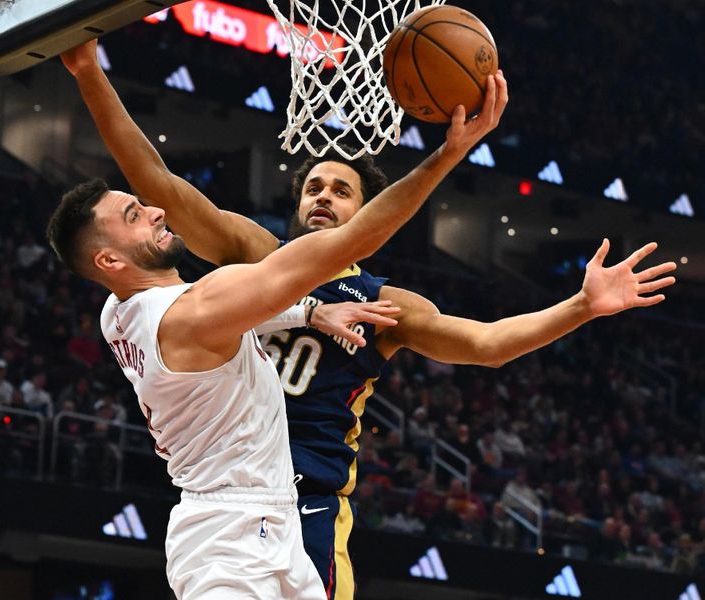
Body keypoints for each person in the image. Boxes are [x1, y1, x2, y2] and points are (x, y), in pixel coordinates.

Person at [60, 40, 674, 599]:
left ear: (365, 213)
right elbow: (158, 182)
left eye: (342, 190)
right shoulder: (251, 257)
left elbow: (488, 344)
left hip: (310, 509)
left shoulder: (385, 304)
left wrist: (582, 306)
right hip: (234, 498)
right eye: (314, 187)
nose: (323, 196)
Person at [47, 52, 506, 597]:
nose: (156, 212)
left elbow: (237, 314)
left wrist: (310, 312)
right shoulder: (198, 306)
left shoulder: (118, 310)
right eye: (134, 216)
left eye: (143, 206)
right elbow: (345, 245)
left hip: (272, 517)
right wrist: (449, 154)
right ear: (109, 261)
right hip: (230, 535)